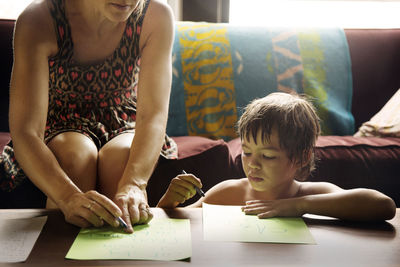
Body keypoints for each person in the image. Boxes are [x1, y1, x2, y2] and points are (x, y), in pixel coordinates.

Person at [0, 0, 177, 233]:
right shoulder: (39, 19)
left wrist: (134, 184)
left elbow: (153, 117)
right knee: (76, 156)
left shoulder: (156, 15)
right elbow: (26, 132)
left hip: (123, 119)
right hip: (58, 122)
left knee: (121, 159)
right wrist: (68, 198)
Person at [157, 92, 396, 221]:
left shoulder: (310, 195)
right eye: (247, 152)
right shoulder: (228, 193)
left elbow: (383, 206)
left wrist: (296, 206)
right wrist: (168, 202)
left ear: (302, 157)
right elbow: (178, 225)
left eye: (268, 156)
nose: (252, 164)